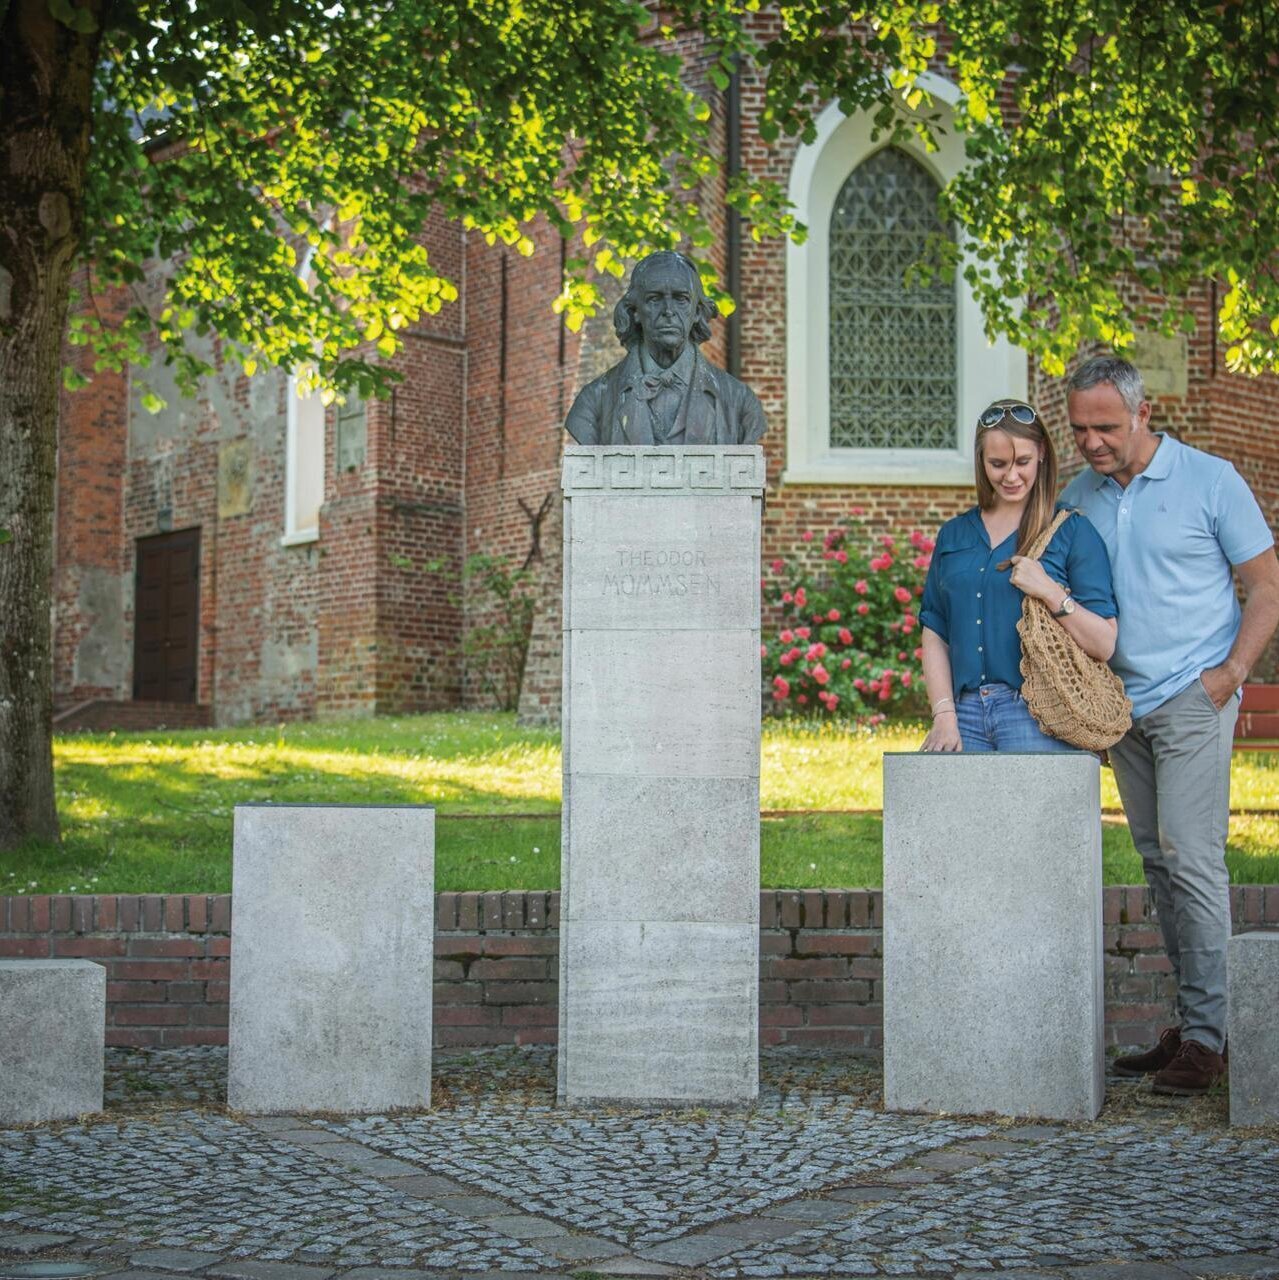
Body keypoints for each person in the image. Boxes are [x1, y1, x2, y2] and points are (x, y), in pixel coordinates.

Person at [1061, 355, 1279, 1095]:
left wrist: (1228, 676)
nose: (1090, 441)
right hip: (1120, 710)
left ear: (1141, 413)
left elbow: (1265, 587)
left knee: (1191, 856)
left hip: (1192, 696)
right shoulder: (1079, 495)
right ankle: (1191, 1026)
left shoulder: (1210, 480)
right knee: (1157, 865)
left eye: (1105, 427)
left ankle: (1211, 1038)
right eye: (1079, 427)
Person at [919, 399, 1118, 753]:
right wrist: (943, 714)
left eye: (1022, 462)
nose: (1011, 477)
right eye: (997, 464)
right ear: (981, 462)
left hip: (1038, 714)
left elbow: (1104, 643)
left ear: (1041, 454)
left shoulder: (1072, 532)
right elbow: (936, 631)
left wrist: (1050, 592)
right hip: (961, 717)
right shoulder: (954, 534)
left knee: (1037, 812)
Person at [564, 250, 767, 446]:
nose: (668, 311)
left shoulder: (740, 403)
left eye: (681, 299)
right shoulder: (593, 402)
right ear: (634, 311)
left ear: (697, 312)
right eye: (654, 298)